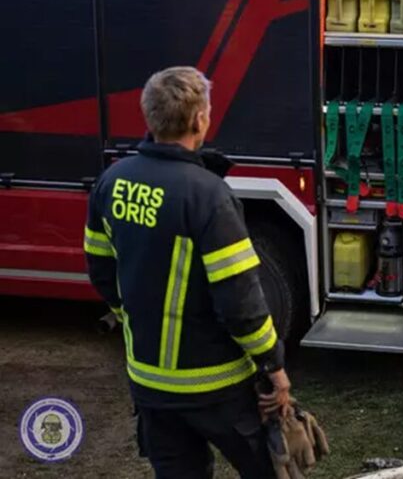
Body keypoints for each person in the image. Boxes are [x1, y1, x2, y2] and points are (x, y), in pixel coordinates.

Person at [83, 66, 290, 478]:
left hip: (150, 384)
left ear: (149, 116)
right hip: (217, 387)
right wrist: (273, 366)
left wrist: (132, 318)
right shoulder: (209, 196)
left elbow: (101, 269)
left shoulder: (112, 182)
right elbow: (241, 299)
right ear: (200, 119)